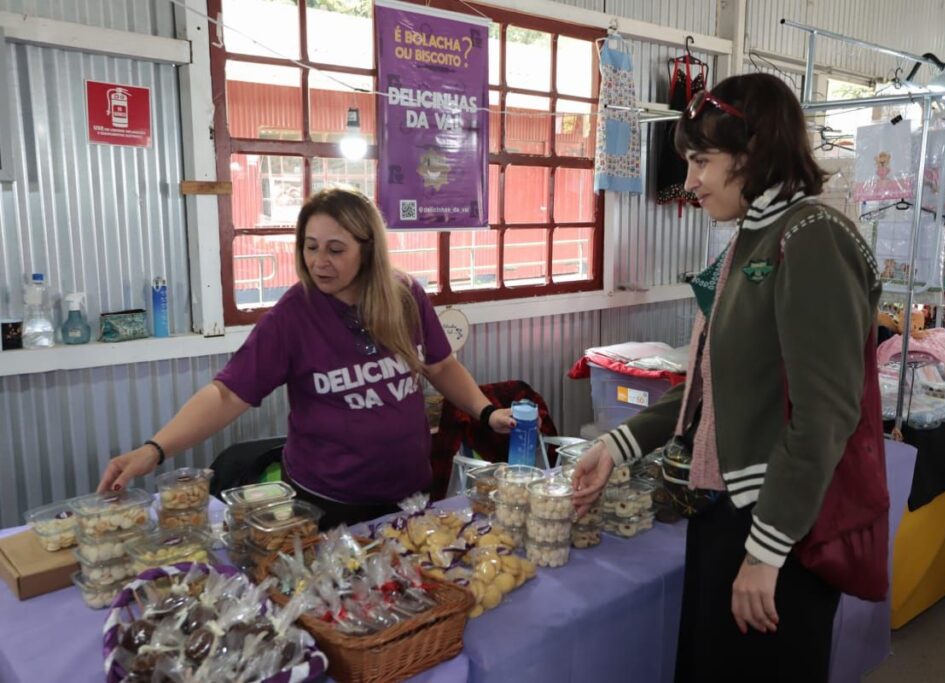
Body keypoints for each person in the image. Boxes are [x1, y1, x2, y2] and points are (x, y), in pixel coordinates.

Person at [571, 73, 885, 682]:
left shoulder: (811, 236)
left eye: (702, 161)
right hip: (729, 507)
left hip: (780, 522)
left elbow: (824, 416)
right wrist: (617, 442)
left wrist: (766, 553)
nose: (689, 181)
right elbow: (712, 388)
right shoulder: (752, 236)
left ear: (755, 154)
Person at [99, 187, 515, 527]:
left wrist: (484, 411)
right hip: (329, 503)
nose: (319, 262)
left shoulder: (406, 297)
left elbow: (440, 365)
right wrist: (154, 449)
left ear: (367, 251)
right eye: (311, 247)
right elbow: (227, 394)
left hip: (409, 494)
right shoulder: (292, 317)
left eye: (336, 249)